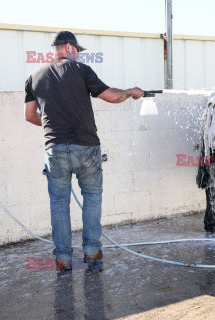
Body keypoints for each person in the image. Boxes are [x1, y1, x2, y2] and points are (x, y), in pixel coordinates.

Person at [24, 31, 145, 271]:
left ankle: (63, 259)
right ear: (69, 47)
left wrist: (52, 123)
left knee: (59, 204)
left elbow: (29, 116)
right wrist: (131, 92)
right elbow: (110, 97)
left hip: (55, 149)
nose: (78, 55)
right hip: (86, 147)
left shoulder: (33, 76)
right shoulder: (81, 70)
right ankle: (91, 253)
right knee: (92, 198)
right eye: (77, 50)